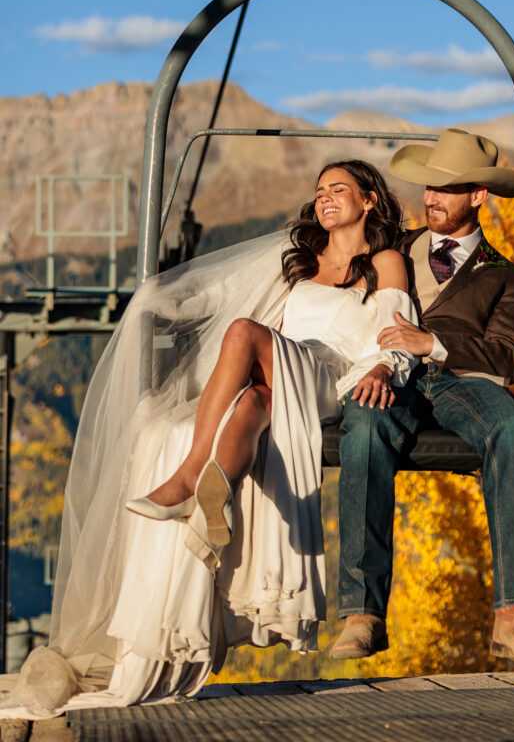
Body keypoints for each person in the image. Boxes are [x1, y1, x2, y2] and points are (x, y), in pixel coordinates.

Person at [0, 160, 418, 719]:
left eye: (338, 189)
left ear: (369, 201)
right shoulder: (300, 260)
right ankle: (212, 501)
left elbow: (396, 332)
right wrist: (162, 303)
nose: (325, 198)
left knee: (242, 333)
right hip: (277, 373)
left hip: (329, 374)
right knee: (250, 403)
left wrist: (384, 369)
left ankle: (190, 473)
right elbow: (224, 294)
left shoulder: (385, 262)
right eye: (319, 191)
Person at [331, 129, 514, 667]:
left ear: (478, 196)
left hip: (462, 381)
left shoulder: (504, 275)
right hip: (391, 374)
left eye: (445, 189)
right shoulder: (391, 249)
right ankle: (362, 613)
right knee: (365, 424)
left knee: (511, 427)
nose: (430, 198)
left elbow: (507, 357)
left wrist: (431, 342)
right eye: (428, 187)